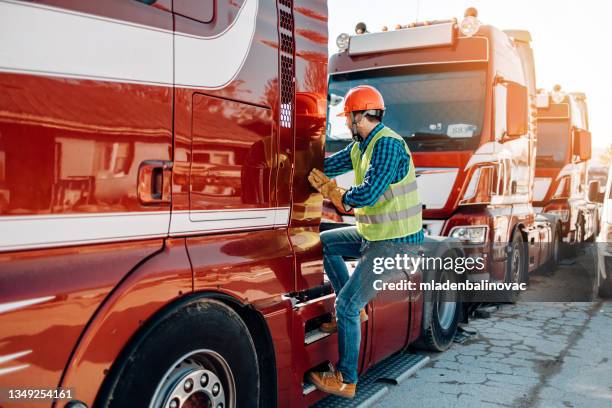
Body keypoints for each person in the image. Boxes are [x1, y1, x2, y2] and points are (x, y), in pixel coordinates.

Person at [307, 85, 424, 399]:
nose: (347, 124)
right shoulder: (361, 146)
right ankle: (354, 313)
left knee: (344, 304)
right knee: (326, 242)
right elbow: (327, 165)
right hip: (374, 235)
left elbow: (370, 193)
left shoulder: (387, 145)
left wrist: (337, 195)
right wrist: (298, 160)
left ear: (358, 116)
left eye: (348, 118)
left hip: (395, 244)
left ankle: (346, 379)